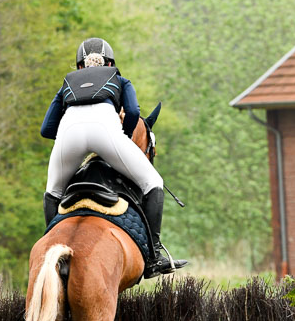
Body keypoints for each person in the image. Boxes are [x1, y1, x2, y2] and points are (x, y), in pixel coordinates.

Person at [40, 37, 186, 278]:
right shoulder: (119, 79)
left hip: (68, 136)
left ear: (79, 67)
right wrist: (123, 137)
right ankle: (154, 257)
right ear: (110, 64)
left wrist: (73, 136)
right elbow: (135, 112)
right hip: (106, 134)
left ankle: (50, 247)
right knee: (154, 183)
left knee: (53, 192)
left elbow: (46, 129)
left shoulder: (66, 83)